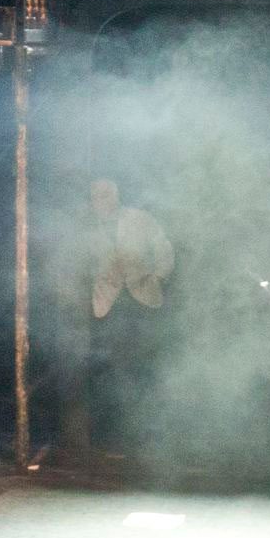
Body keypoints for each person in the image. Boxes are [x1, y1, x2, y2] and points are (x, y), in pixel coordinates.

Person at [80, 178, 173, 454]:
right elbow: (79, 265)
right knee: (111, 370)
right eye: (97, 196)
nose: (103, 200)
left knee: (145, 366)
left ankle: (150, 435)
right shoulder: (87, 230)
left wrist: (158, 277)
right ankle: (115, 436)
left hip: (142, 300)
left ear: (117, 196)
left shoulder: (139, 219)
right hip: (108, 305)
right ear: (91, 201)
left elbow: (164, 248)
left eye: (108, 195)